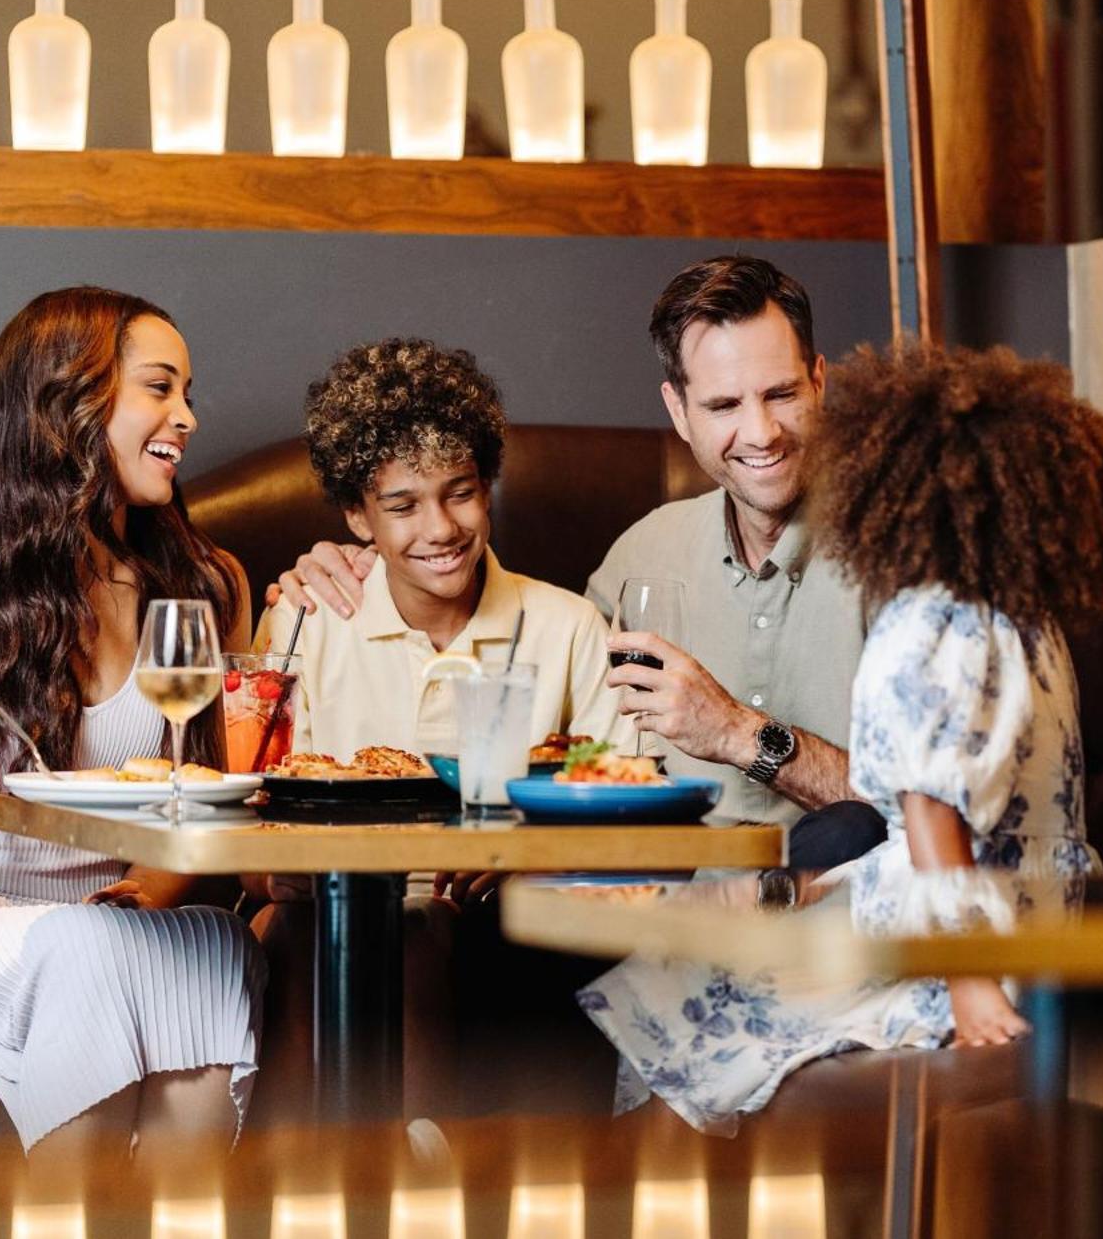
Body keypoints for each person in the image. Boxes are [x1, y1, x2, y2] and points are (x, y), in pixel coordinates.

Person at [577, 339, 1103, 1134]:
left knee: (678, 1011)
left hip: (956, 935)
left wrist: (972, 981)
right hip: (1047, 914)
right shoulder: (1024, 621)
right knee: (686, 986)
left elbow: (934, 820)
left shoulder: (927, 626)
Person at [0, 287, 266, 1158]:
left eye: (188, 392)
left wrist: (151, 891)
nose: (185, 417)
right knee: (88, 950)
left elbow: (216, 795)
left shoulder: (210, 586)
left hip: (102, 920)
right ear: (70, 401)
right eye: (159, 387)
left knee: (219, 946)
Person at [272, 256, 884, 870]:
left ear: (820, 382)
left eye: (780, 394)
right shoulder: (641, 556)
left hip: (824, 902)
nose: (760, 432)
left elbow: (951, 811)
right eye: (724, 405)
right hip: (649, 909)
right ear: (679, 411)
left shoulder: (909, 553)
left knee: (849, 830)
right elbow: (585, 758)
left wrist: (734, 732)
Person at [259, 338, 629, 769]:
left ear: (487, 489)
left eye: (460, 494)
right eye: (403, 507)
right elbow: (269, 804)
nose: (440, 529)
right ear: (358, 517)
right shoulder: (303, 625)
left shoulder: (573, 630)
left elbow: (617, 799)